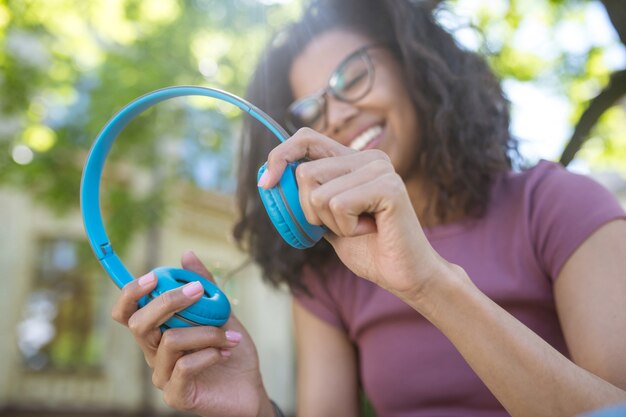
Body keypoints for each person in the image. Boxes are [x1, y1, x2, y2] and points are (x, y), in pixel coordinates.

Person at [110, 0, 626, 416]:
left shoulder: (560, 205)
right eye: (309, 109)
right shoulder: (329, 272)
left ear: (415, 65)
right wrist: (252, 410)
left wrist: (427, 282)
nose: (337, 114)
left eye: (352, 76)